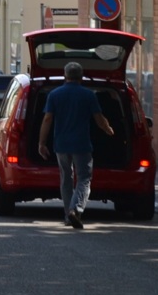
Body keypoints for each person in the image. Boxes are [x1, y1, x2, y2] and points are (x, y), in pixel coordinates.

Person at [38, 61, 114, 228]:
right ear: (81, 76)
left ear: (65, 75)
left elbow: (47, 119)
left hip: (61, 144)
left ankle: (68, 215)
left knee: (66, 178)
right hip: (81, 144)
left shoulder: (54, 94)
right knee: (84, 178)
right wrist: (108, 129)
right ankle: (76, 209)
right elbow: (99, 118)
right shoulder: (88, 95)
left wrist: (42, 143)